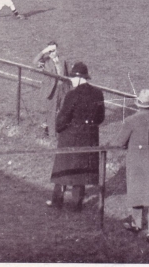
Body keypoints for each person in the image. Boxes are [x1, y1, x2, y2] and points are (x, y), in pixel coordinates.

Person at [111, 89, 149, 244]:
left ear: (139, 104)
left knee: (137, 189)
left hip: (137, 159)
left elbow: (119, 142)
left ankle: (136, 224)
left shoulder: (131, 120)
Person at [47, 62, 106, 211]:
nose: (71, 80)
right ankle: (76, 204)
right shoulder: (98, 93)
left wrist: (59, 129)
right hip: (89, 136)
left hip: (71, 135)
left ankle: (57, 201)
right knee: (81, 170)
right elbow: (100, 117)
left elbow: (63, 117)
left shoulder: (72, 94)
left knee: (63, 168)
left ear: (79, 78)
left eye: (73, 77)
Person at [32, 41, 70, 137]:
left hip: (63, 89)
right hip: (52, 90)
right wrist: (43, 51)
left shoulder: (63, 59)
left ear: (57, 50)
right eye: (50, 51)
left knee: (63, 111)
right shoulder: (45, 61)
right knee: (52, 112)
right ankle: (52, 136)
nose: (52, 53)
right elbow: (34, 63)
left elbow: (68, 74)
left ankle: (61, 133)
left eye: (54, 50)